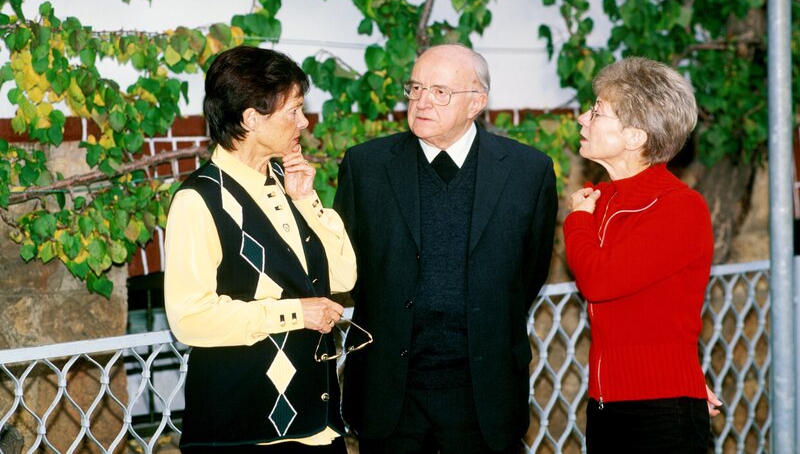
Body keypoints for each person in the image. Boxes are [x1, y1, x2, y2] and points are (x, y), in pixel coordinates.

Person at [334, 44, 558, 454]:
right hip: (390, 391)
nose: (422, 102)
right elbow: (349, 268)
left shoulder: (528, 171)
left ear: (476, 103)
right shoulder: (366, 166)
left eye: (440, 92)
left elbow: (528, 273)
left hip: (483, 393)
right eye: (416, 88)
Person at [164, 46, 357, 453]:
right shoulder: (198, 200)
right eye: (294, 110)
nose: (304, 122)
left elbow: (343, 277)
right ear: (252, 118)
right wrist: (295, 313)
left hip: (319, 428)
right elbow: (189, 318)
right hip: (242, 432)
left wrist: (307, 201)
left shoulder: (290, 183)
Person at [563, 57, 719, 453]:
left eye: (597, 112)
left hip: (660, 413)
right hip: (605, 407)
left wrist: (576, 222)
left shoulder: (679, 207)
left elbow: (599, 282)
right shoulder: (602, 200)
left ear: (635, 137)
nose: (582, 118)